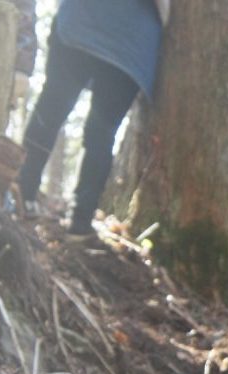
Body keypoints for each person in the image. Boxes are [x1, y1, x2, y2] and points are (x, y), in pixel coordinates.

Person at [16, 0, 168, 240]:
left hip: (84, 21)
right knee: (101, 133)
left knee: (52, 108)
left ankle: (22, 194)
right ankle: (80, 221)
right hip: (132, 43)